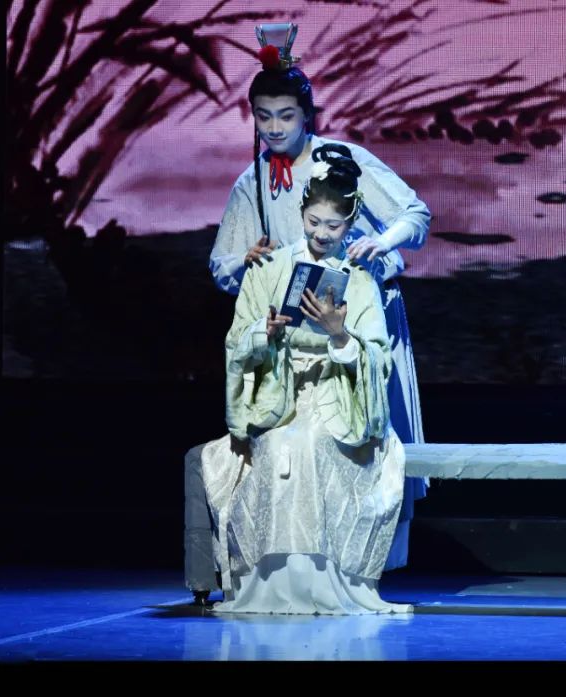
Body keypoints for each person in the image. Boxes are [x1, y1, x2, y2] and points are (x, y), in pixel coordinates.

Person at [185, 24, 431, 602]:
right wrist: (247, 262)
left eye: (286, 116)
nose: (274, 128)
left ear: (306, 115)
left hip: (359, 321)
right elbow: (222, 265)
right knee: (295, 447)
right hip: (294, 344)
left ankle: (368, 565)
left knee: (371, 435)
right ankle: (299, 560)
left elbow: (415, 216)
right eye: (264, 117)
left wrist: (379, 242)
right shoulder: (252, 181)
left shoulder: (341, 160)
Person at [193, 144, 411, 614]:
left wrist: (340, 336)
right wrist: (265, 333)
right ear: (302, 214)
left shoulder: (359, 278)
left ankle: (321, 583)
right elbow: (236, 340)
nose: (321, 234)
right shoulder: (269, 268)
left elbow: (378, 357)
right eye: (314, 222)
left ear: (350, 225)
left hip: (339, 399)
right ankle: (272, 584)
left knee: (313, 445)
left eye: (334, 226)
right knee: (279, 446)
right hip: (279, 394)